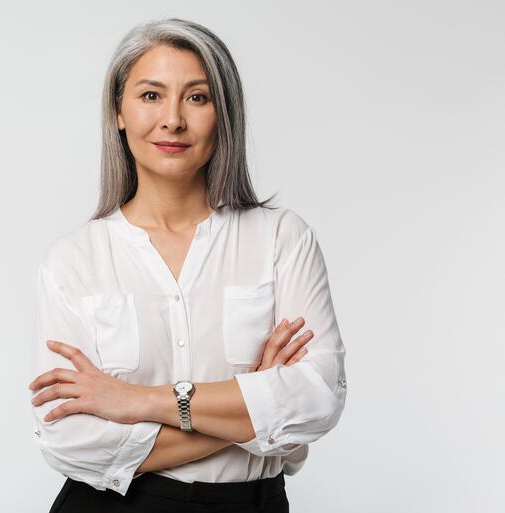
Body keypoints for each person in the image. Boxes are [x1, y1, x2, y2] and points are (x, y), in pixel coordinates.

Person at [28, 17, 347, 513]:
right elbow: (69, 441)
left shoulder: (281, 239)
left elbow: (317, 400)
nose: (173, 119)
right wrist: (255, 410)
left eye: (197, 97)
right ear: (119, 111)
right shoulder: (74, 261)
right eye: (151, 96)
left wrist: (140, 401)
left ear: (224, 112)